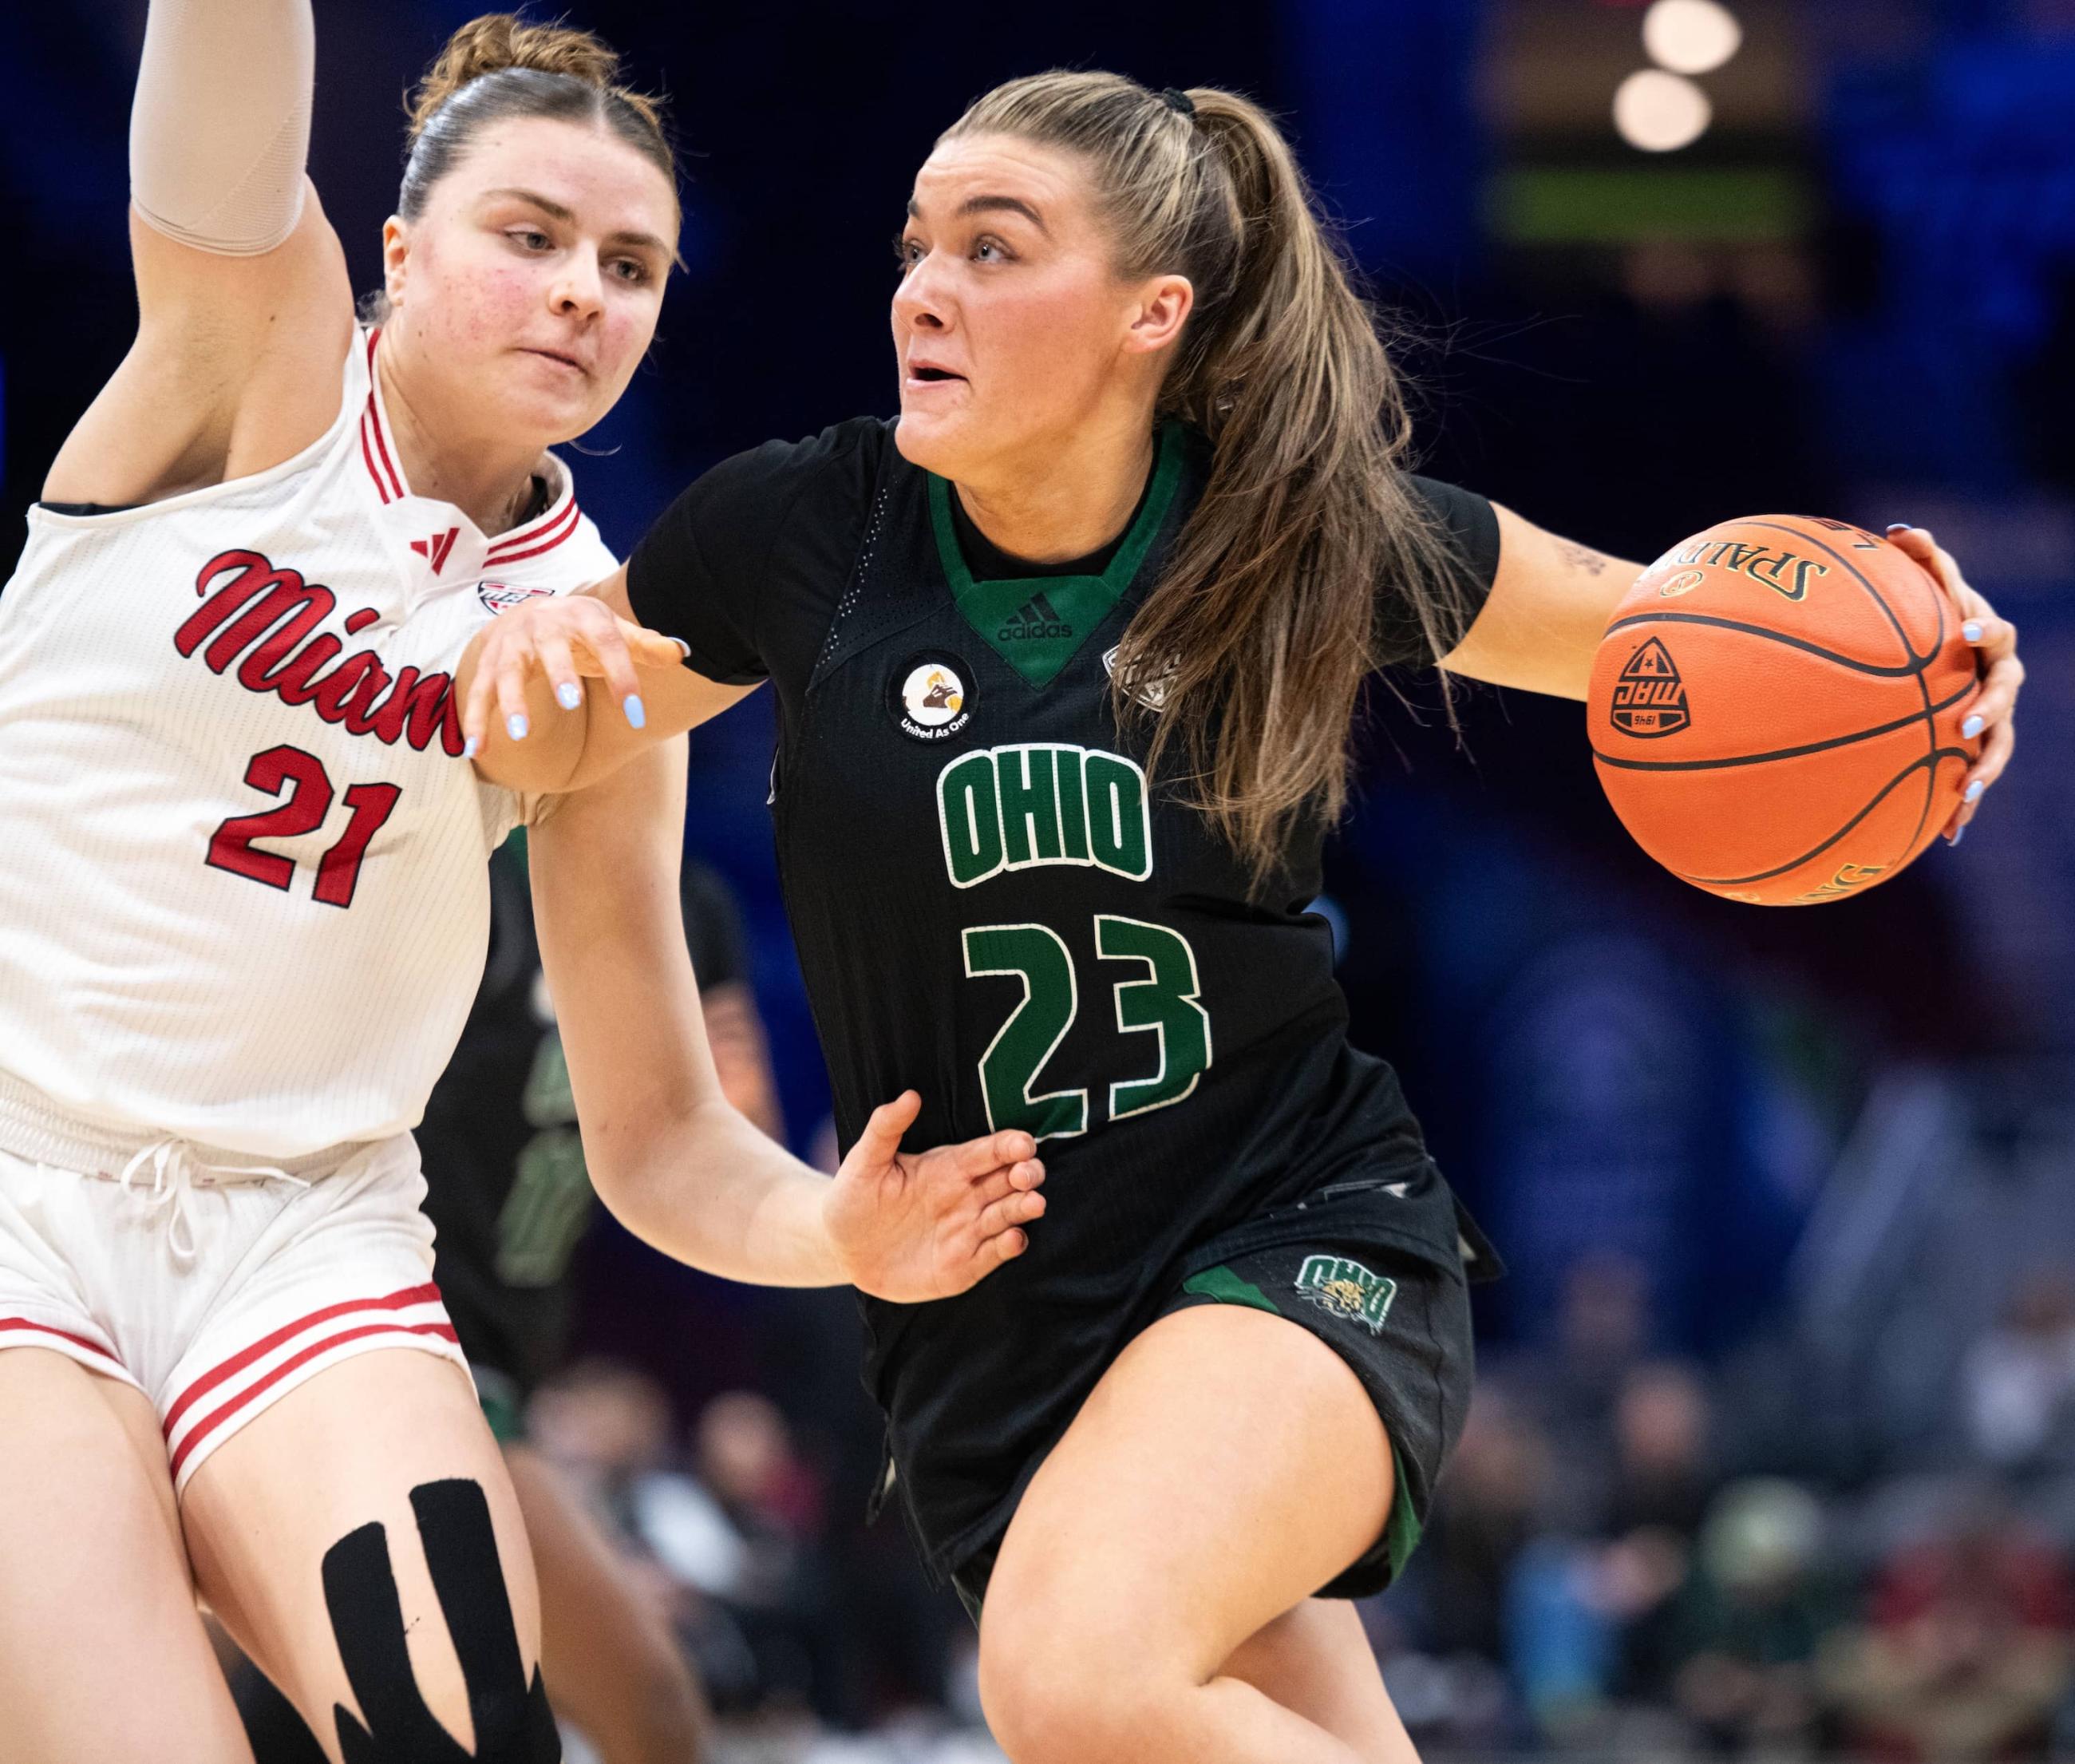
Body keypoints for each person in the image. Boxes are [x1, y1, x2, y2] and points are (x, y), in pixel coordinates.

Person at [463, 72, 2026, 1764]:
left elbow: (1681, 639)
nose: (921, 290)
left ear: (1153, 313)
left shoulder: (1285, 533)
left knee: (1071, 1678)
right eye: (917, 246)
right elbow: (564, 856)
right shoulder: (792, 535)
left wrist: (1926, 669)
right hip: (991, 1353)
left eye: (993, 248)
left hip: (1289, 1241)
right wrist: (509, 636)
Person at [0, 8, 1040, 1758]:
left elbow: (658, 1132)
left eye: (629, 267)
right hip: (22, 1179)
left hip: (303, 1234)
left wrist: (832, 1231)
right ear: (399, 252)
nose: (580, 294)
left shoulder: (608, 640)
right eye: (532, 236)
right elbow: (223, 85)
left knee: (476, 1735)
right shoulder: (251, 366)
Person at [230, 843, 773, 1762]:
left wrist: (743, 1115)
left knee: (636, 1709)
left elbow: (736, 1142)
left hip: (510, 1360)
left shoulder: (693, 901)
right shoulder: (456, 857)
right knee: (644, 1705)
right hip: (398, 1326)